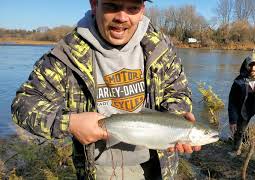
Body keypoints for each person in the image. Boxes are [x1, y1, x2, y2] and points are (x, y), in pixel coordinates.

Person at [11, 0, 201, 179]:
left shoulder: (160, 46)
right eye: (112, 5)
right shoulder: (66, 54)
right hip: (103, 169)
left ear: (142, 10)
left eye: (132, 8)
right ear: (94, 4)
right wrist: (69, 123)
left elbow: (178, 91)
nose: (122, 17)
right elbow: (23, 104)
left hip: (161, 165)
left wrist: (177, 118)